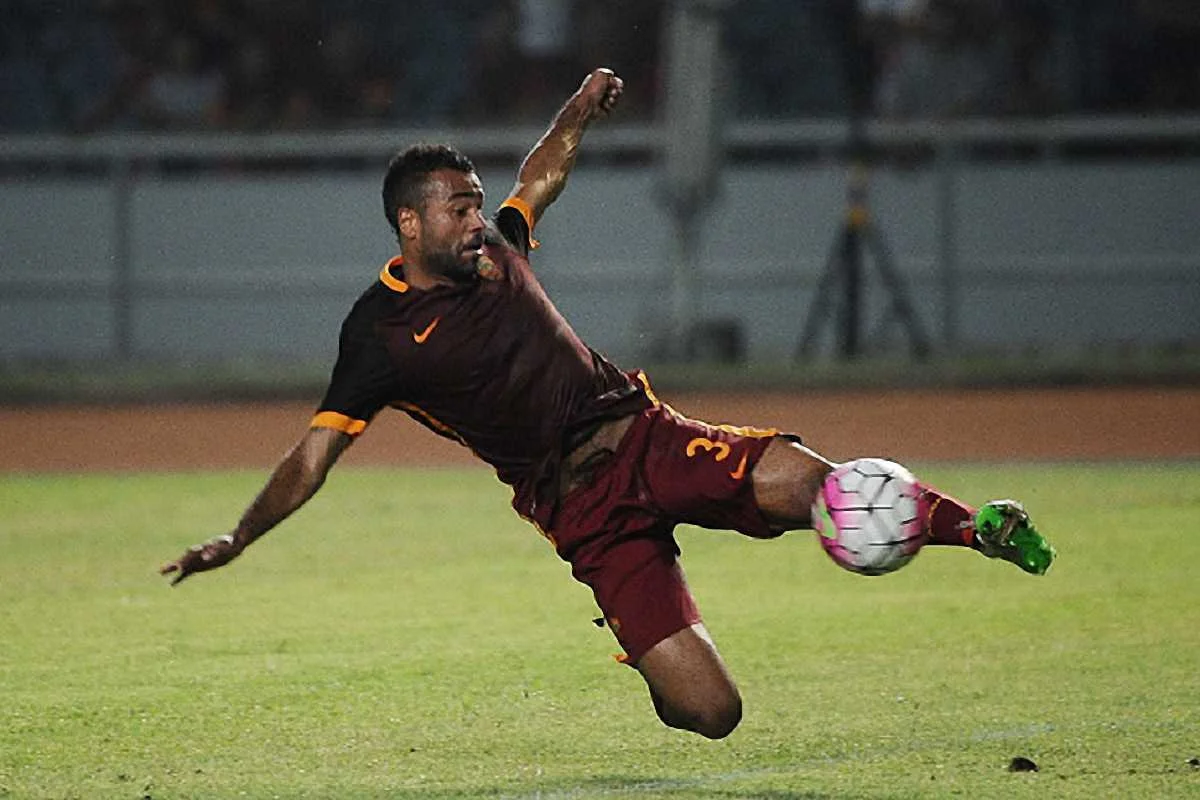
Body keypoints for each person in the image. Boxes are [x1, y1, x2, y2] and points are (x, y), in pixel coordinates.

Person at [160, 67, 1055, 740]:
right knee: (713, 715)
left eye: (477, 206)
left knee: (809, 481)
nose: (477, 221)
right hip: (582, 512)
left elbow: (541, 175)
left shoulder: (500, 249)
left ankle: (977, 528)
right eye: (459, 210)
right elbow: (313, 456)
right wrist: (239, 537)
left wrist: (580, 110)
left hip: (645, 436)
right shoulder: (378, 337)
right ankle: (652, 657)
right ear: (409, 223)